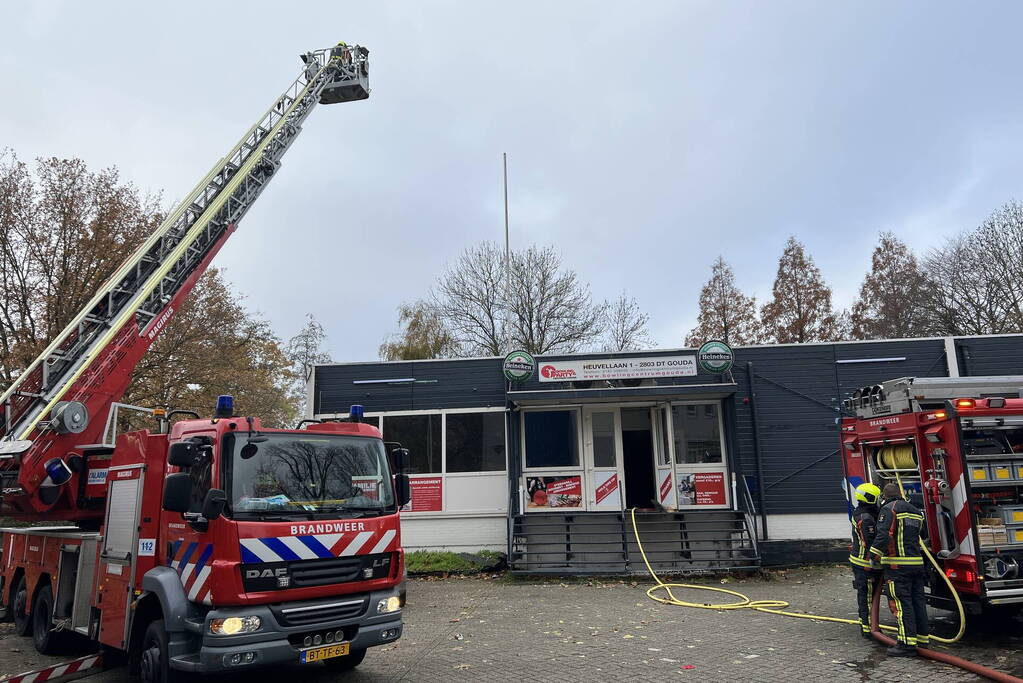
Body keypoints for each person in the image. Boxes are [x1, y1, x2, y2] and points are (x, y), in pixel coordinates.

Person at [870, 483, 929, 656]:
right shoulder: (916, 511)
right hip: (917, 565)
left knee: (902, 604)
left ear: (885, 496)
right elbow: (923, 536)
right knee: (918, 603)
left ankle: (906, 645)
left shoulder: (889, 509)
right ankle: (922, 640)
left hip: (897, 567)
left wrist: (873, 557)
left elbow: (883, 535)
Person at [849, 482, 881, 638]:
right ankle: (867, 628)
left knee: (869, 594)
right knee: (866, 595)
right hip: (864, 563)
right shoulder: (865, 517)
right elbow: (870, 541)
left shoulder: (867, 513)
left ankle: (870, 624)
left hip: (865, 562)